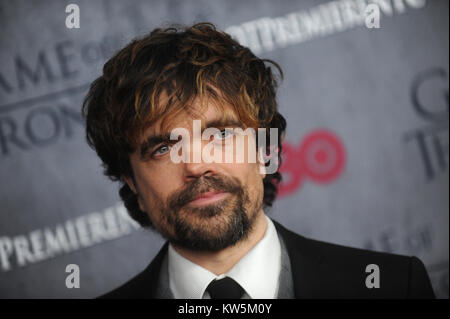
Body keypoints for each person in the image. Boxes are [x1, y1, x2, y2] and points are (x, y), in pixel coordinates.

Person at [82, 22, 435, 299]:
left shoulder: (392, 287)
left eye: (220, 134)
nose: (196, 166)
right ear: (131, 182)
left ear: (264, 150)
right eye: (162, 148)